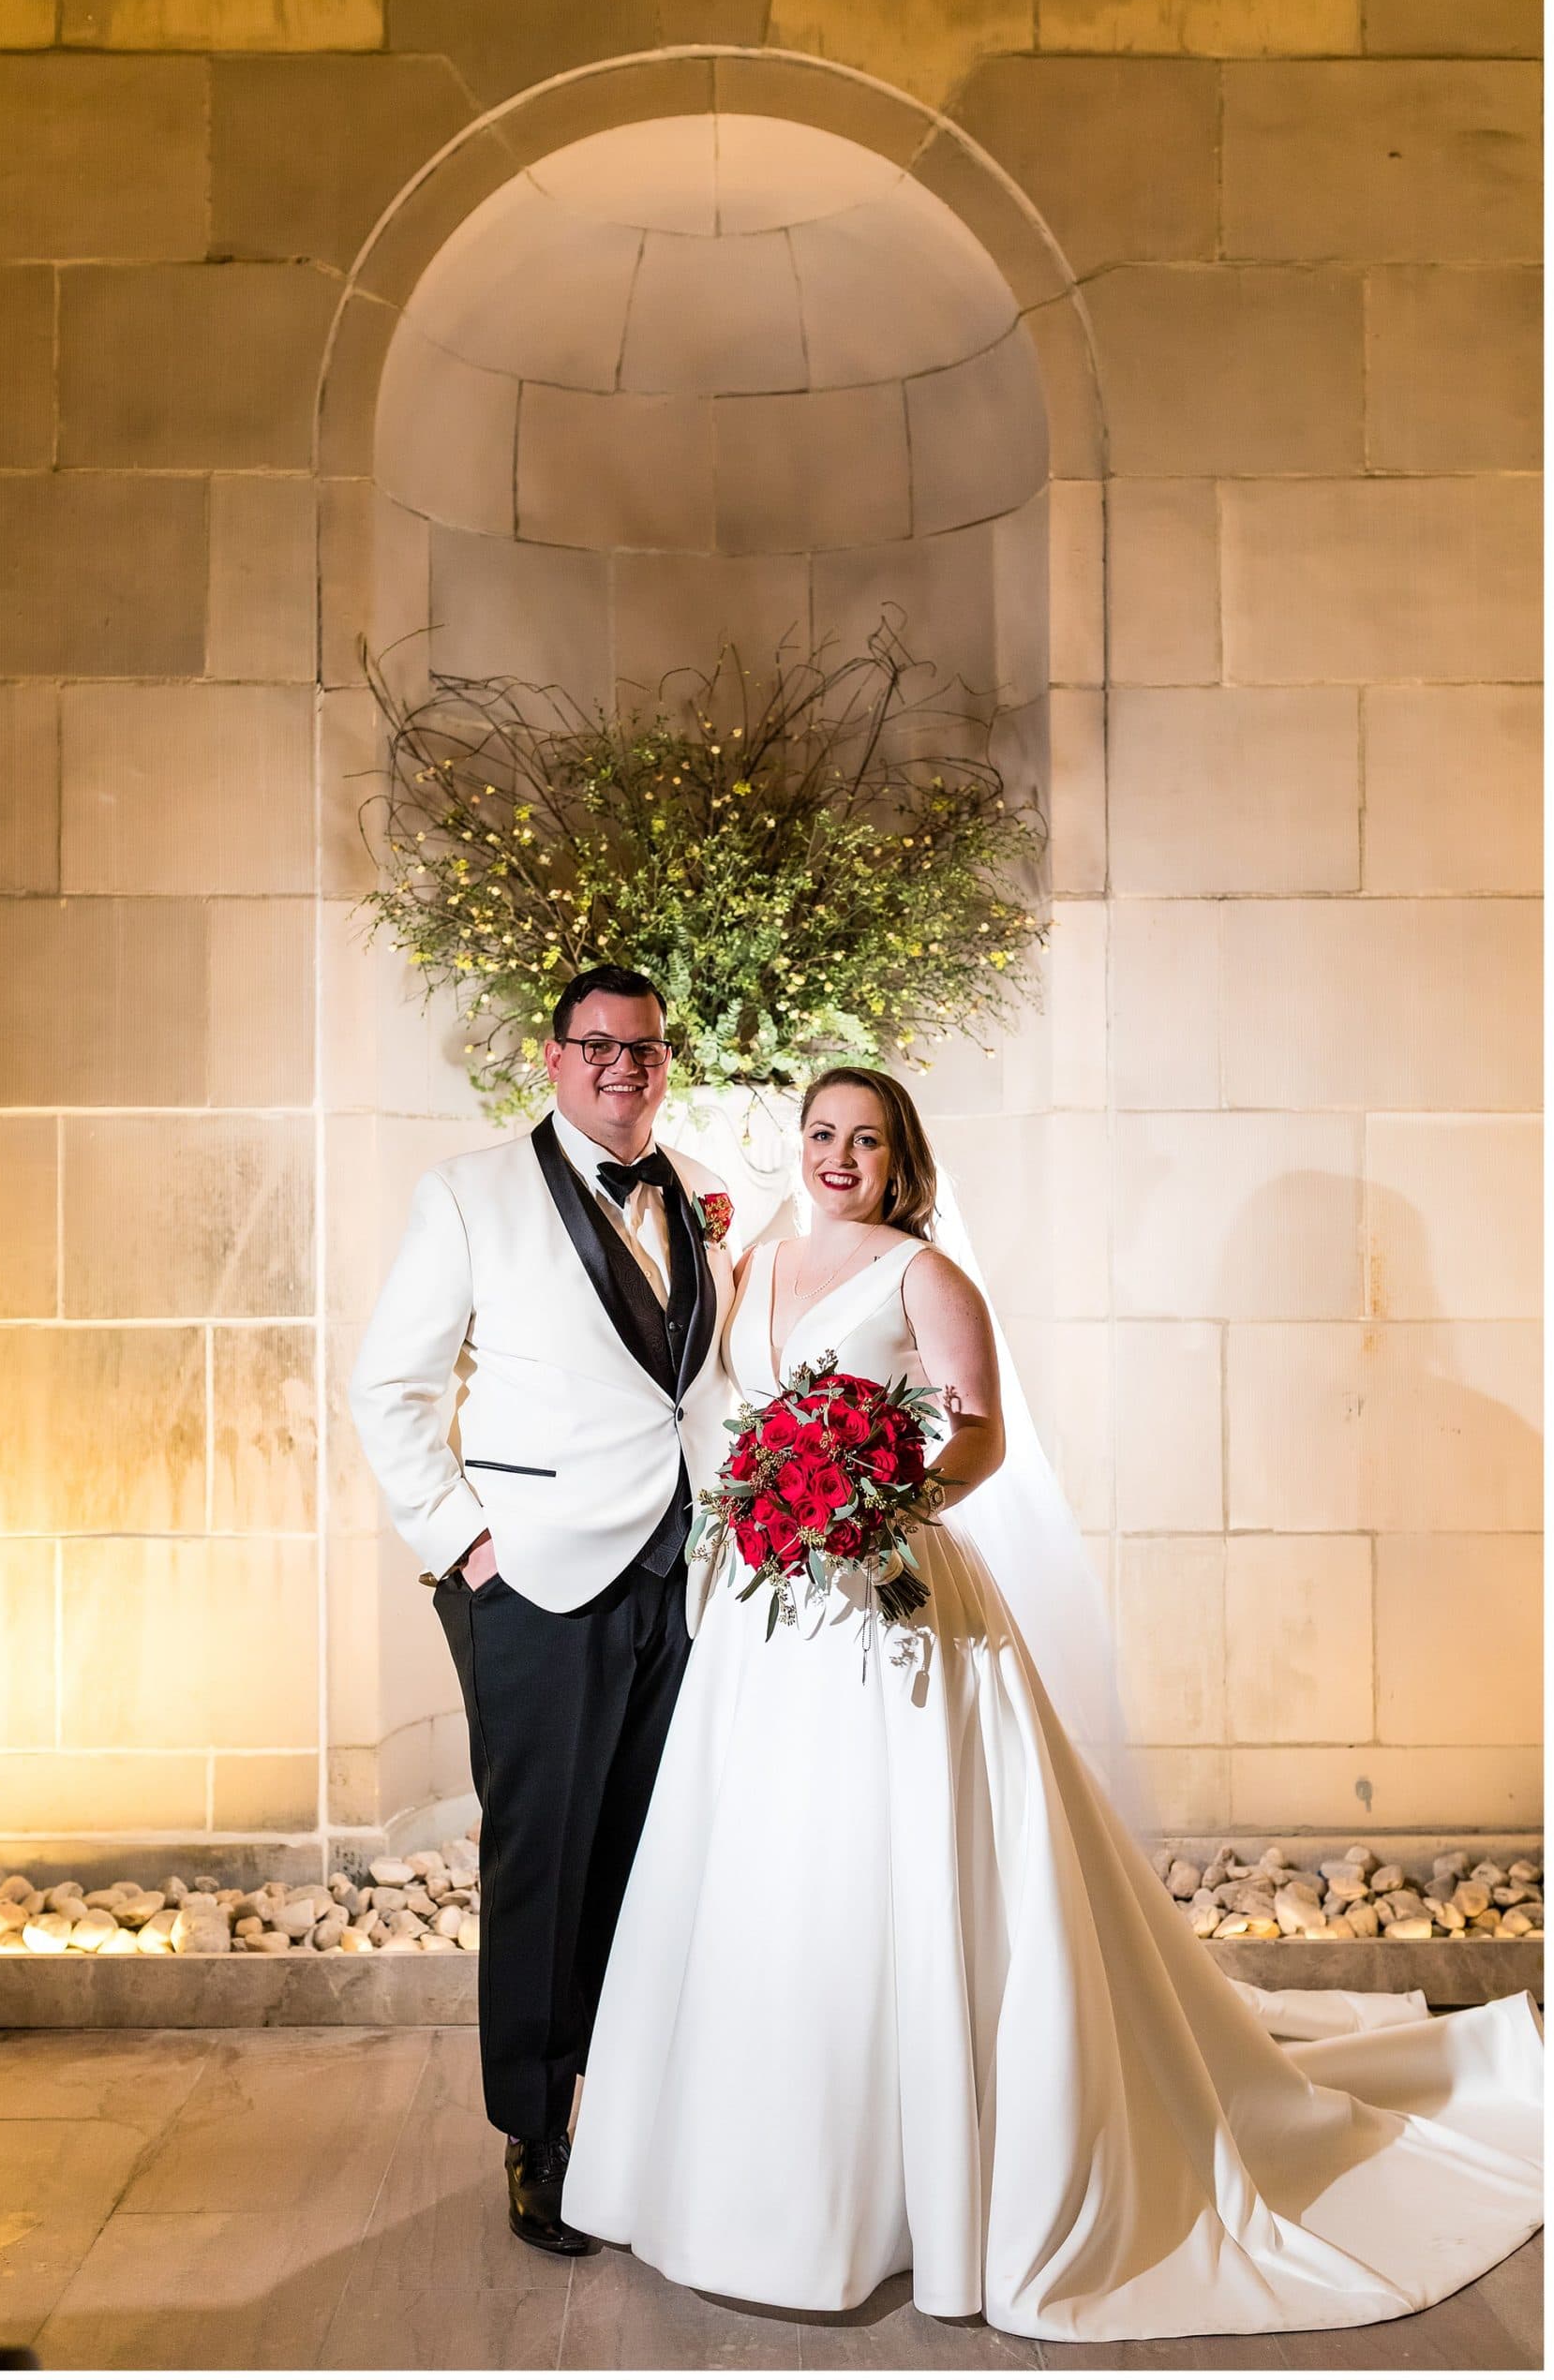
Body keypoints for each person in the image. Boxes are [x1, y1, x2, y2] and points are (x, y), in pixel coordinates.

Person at [560, 1065, 1544, 2342]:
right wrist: (771, 1510)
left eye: (864, 1138)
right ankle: (750, 2168)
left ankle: (934, 2181)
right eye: (820, 1135)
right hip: (768, 1614)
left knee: (904, 1869)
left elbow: (977, 1437)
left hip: (886, 1598)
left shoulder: (925, 1278)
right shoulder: (752, 1273)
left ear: (901, 1158)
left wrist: (878, 1507)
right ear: (794, 1149)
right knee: (773, 1866)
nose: (839, 1156)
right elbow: (732, 1417)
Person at [349, 965, 737, 2256]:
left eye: (643, 1047)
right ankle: (537, 2135)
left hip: (675, 1578)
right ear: (555, 1059)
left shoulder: (691, 1192)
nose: (622, 1065)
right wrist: (465, 1546)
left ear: (663, 1062)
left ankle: (629, 2123)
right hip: (534, 1583)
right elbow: (388, 1388)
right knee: (541, 1863)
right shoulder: (467, 1195)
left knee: (645, 1859)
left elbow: (690, 1385)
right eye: (596, 1045)